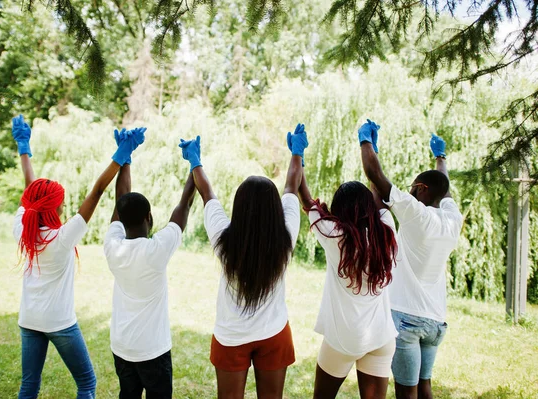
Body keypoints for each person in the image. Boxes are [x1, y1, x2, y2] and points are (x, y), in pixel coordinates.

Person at [11, 115, 144, 399]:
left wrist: (24, 148)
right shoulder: (62, 238)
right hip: (59, 322)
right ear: (54, 210)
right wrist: (121, 156)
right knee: (86, 383)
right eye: (59, 204)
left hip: (29, 319)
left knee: (29, 384)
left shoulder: (22, 227)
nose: (62, 208)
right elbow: (97, 192)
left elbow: (30, 192)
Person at [178, 128, 305, 399]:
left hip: (231, 336)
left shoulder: (223, 239)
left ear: (239, 206)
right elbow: (291, 185)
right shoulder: (286, 237)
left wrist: (195, 161)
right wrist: (297, 153)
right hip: (274, 333)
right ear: (274, 209)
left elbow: (207, 193)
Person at [358, 120, 463, 399]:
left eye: (414, 188)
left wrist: (366, 141)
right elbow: (446, 188)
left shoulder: (417, 214)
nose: (412, 192)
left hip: (407, 319)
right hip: (436, 322)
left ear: (421, 187)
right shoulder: (453, 218)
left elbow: (375, 175)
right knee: (424, 386)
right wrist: (441, 158)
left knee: (407, 392)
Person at [293, 125, 399, 398]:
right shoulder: (386, 230)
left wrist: (299, 156)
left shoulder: (333, 234)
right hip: (382, 337)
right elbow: (379, 192)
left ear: (339, 210)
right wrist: (371, 150)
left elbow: (306, 200)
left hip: (344, 339)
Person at [103, 129, 196, 399]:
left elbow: (121, 200)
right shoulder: (157, 250)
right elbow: (184, 207)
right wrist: (194, 167)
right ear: (149, 217)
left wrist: (126, 157)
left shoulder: (112, 246)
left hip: (121, 347)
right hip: (153, 350)